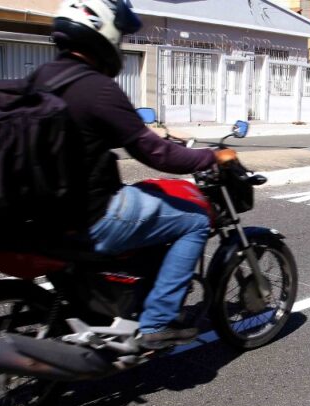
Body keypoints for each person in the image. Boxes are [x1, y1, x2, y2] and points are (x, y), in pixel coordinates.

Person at [31, 0, 235, 351]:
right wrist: (209, 157)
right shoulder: (97, 88)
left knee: (149, 201)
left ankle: (123, 296)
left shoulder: (42, 79)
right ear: (104, 32)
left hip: (46, 212)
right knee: (195, 219)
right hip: (93, 215)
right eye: (121, 36)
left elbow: (89, 135)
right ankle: (157, 322)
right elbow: (156, 154)